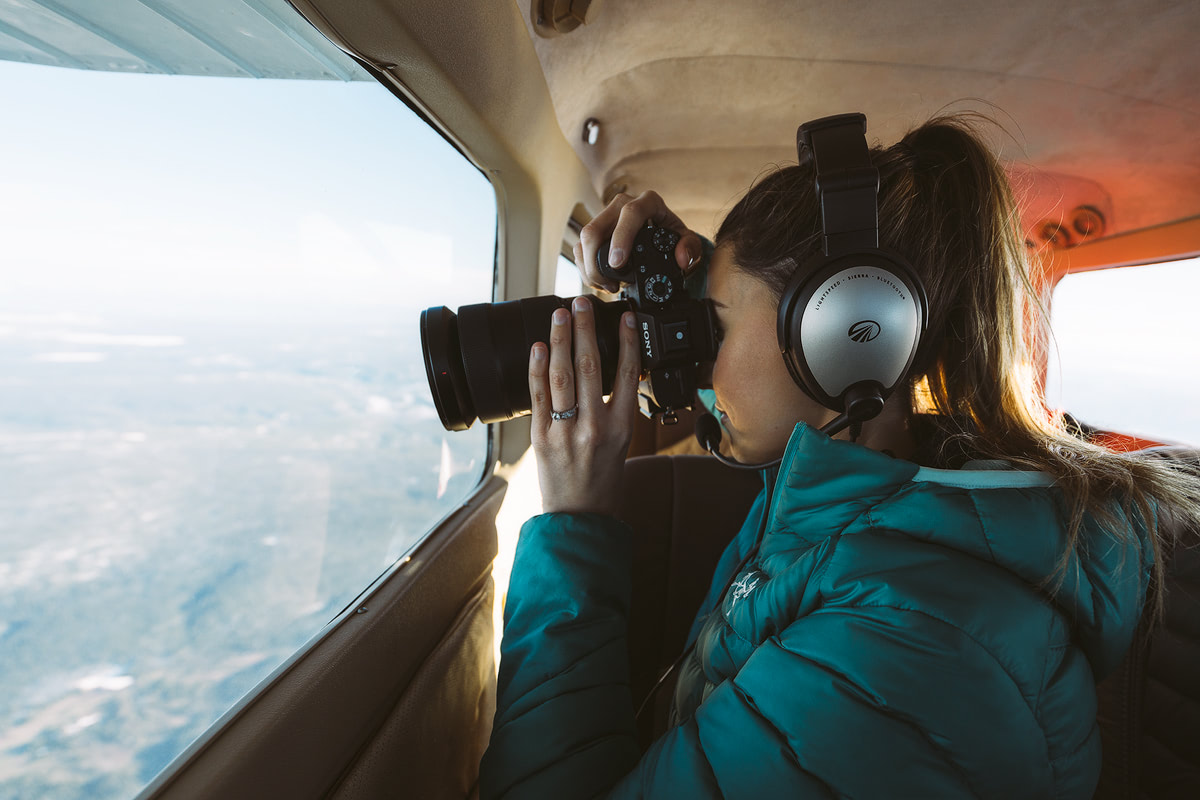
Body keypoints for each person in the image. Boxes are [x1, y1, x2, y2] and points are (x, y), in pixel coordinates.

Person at [478, 113, 1200, 798]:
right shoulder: (857, 500)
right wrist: (689, 288)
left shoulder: (901, 647)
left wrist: (575, 523)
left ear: (850, 335)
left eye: (714, 326)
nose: (699, 367)